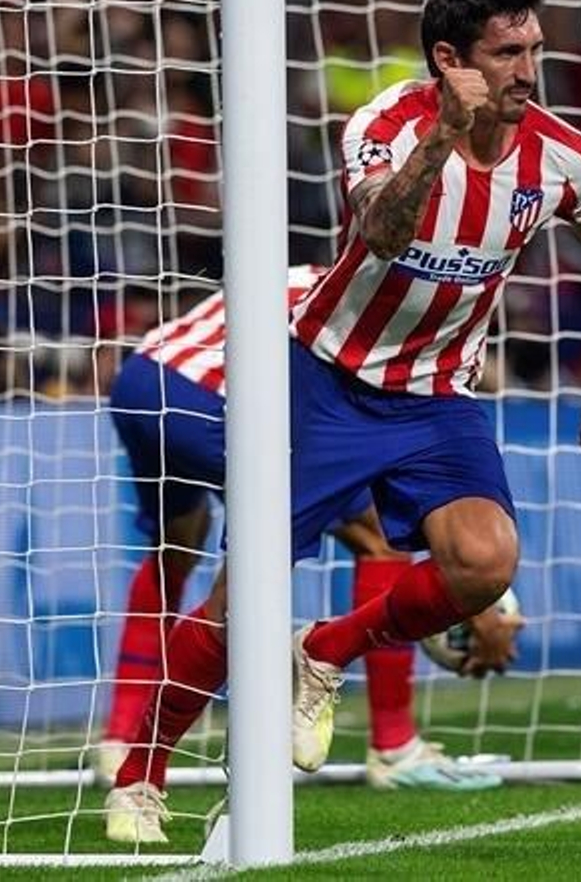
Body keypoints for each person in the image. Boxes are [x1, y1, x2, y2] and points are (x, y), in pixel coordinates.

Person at [103, 0, 581, 844]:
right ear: (449, 59)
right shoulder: (386, 125)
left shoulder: (560, 155)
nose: (528, 73)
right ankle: (140, 775)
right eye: (508, 54)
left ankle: (323, 651)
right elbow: (380, 232)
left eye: (535, 50)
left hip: (437, 396)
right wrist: (444, 138)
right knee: (238, 605)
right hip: (323, 384)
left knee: (485, 561)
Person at [96, 265, 505, 796]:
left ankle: (119, 737)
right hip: (210, 398)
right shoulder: (374, 306)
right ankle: (395, 743)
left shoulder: (307, 271)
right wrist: (471, 600)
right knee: (376, 538)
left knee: (176, 548)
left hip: (142, 381)